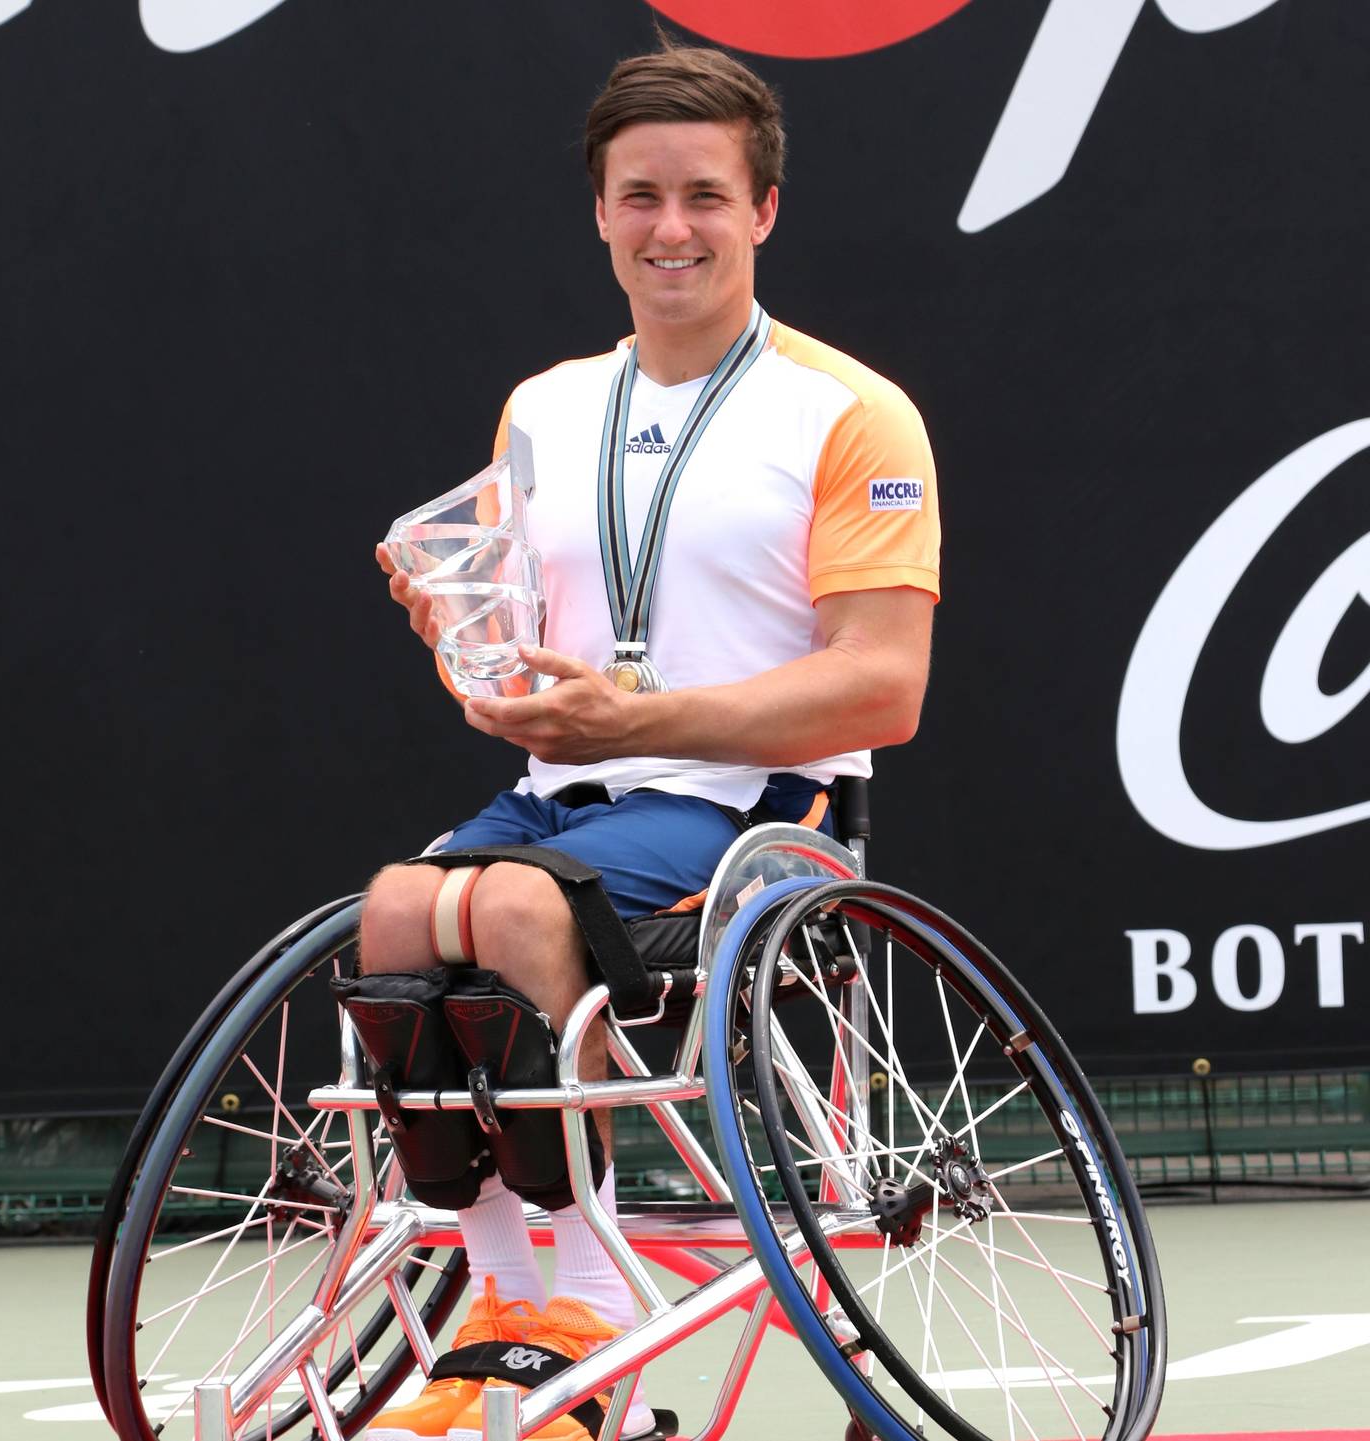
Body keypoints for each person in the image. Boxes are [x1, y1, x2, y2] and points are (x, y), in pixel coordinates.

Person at [363, 40, 939, 1441]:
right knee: (390, 913)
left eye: (702, 196)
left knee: (501, 905)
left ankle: (592, 1318)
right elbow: (512, 674)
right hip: (563, 793)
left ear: (764, 210)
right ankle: (502, 1310)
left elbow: (884, 690)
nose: (670, 229)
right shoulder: (545, 407)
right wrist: (467, 647)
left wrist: (644, 718)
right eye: (640, 197)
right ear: (601, 211)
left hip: (757, 813)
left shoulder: (852, 412)